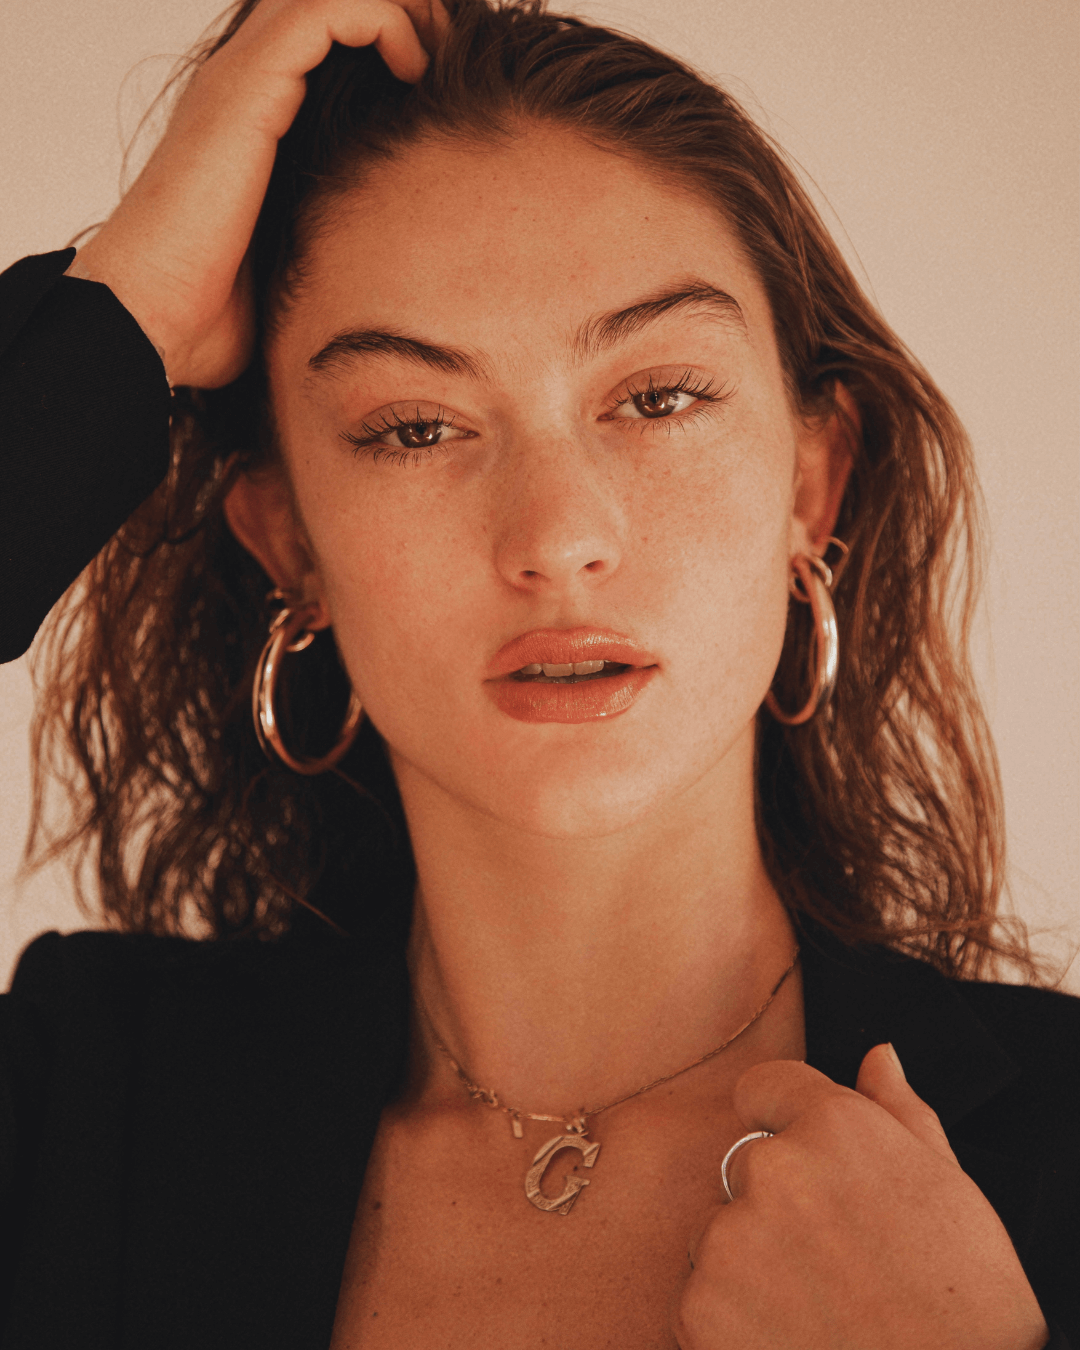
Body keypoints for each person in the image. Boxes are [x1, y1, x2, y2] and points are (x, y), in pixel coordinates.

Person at [0, 0, 1076, 1345]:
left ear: (814, 480)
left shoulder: (1055, 1150)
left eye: (659, 395)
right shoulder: (81, 1114)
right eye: (413, 425)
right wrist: (117, 314)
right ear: (291, 544)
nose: (557, 537)